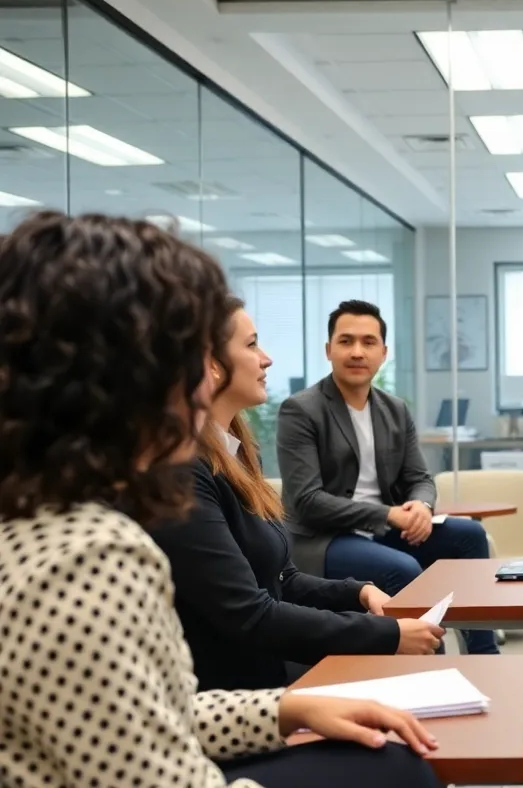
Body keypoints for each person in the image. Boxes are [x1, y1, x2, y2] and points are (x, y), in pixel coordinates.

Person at [0, 211, 440, 788]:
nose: (203, 378)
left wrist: (285, 710)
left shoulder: (44, 519)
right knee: (395, 766)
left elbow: (150, 717)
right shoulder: (90, 561)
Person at [150, 297, 446, 692]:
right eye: (252, 345)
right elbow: (251, 615)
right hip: (238, 698)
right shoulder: (185, 473)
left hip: (265, 670)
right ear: (212, 365)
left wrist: (356, 591)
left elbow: (281, 578)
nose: (267, 359)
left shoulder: (237, 454)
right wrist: (387, 636)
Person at [277, 300, 497, 655]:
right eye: (346, 341)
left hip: (381, 531)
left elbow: (420, 477)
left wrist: (422, 506)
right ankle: (431, 667)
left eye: (368, 342)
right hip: (325, 538)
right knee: (402, 568)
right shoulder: (301, 410)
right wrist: (389, 514)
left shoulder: (394, 409)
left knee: (469, 536)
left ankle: (484, 654)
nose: (357, 352)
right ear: (329, 350)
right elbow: (308, 501)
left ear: (383, 352)